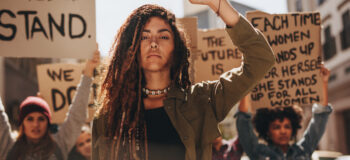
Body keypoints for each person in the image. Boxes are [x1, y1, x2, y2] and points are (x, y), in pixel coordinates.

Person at [92, 0, 275, 159]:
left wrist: (219, 4)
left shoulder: (201, 101)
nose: (153, 42)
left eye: (163, 36)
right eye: (144, 37)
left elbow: (261, 59)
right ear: (130, 49)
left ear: (176, 48)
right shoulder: (109, 116)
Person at [0, 50, 100, 160]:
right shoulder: (9, 146)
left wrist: (88, 73)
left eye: (41, 119)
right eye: (30, 119)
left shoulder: (59, 144)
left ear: (48, 122)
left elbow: (76, 116)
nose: (36, 124)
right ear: (22, 122)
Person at [236, 66, 333, 160]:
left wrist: (323, 83)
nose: (283, 131)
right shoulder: (258, 152)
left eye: (287, 126)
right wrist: (247, 86)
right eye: (276, 127)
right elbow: (243, 121)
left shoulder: (303, 150)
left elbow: (320, 117)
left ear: (293, 128)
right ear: (267, 130)